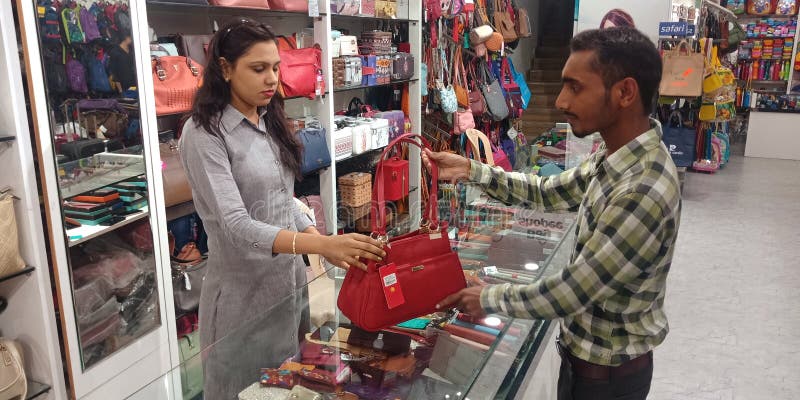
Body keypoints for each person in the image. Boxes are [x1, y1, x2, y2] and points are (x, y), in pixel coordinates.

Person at [427, 27, 680, 400]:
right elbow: (548, 191)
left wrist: (487, 298)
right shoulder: (616, 157)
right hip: (588, 365)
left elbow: (572, 292)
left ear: (625, 92)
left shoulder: (643, 188)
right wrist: (471, 170)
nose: (561, 101)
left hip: (608, 379)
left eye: (576, 87)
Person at [179, 19, 386, 398]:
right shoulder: (203, 134)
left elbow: (281, 196)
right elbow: (236, 225)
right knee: (243, 391)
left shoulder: (268, 118)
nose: (271, 78)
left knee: (286, 386)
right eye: (258, 69)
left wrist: (316, 237)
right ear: (224, 69)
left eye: (275, 67)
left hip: (287, 288)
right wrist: (322, 247)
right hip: (242, 299)